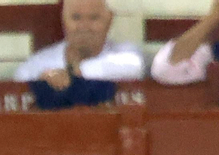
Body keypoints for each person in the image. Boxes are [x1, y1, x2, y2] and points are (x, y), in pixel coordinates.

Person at [14, 0, 145, 109]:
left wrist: (73, 73)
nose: (84, 26)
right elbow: (21, 82)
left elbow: (135, 66)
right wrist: (41, 82)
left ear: (109, 20)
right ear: (63, 20)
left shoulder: (125, 54)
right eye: (76, 17)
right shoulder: (37, 65)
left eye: (94, 18)